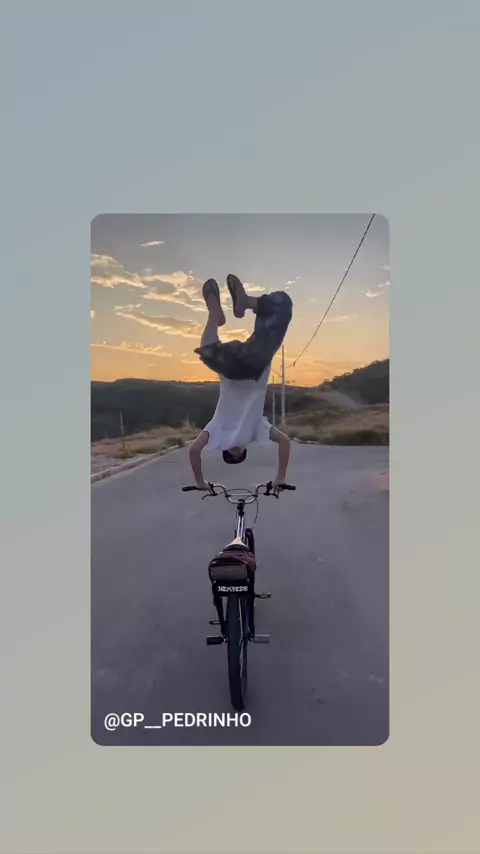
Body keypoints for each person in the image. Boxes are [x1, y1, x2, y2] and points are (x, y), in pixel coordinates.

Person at [189, 273, 293, 490]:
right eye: (239, 456)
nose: (235, 452)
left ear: (224, 450)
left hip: (230, 366)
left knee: (209, 352)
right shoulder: (257, 430)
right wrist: (280, 477)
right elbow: (285, 442)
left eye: (231, 455)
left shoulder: (216, 430)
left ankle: (214, 314)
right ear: (245, 450)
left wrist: (200, 482)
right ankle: (246, 302)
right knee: (282, 304)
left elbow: (194, 450)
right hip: (255, 362)